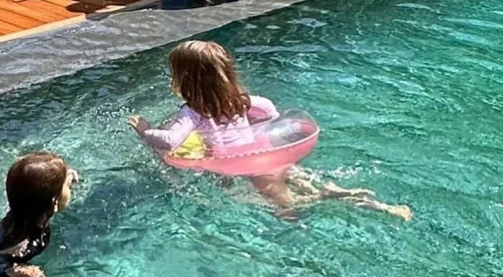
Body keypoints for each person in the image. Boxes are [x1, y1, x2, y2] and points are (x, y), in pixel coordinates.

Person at [129, 40, 412, 221]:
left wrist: (144, 130)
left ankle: (323, 200)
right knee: (301, 181)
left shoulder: (193, 113)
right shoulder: (240, 101)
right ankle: (371, 202)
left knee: (285, 209)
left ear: (184, 80)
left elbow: (168, 141)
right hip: (269, 151)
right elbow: (269, 112)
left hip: (245, 165)